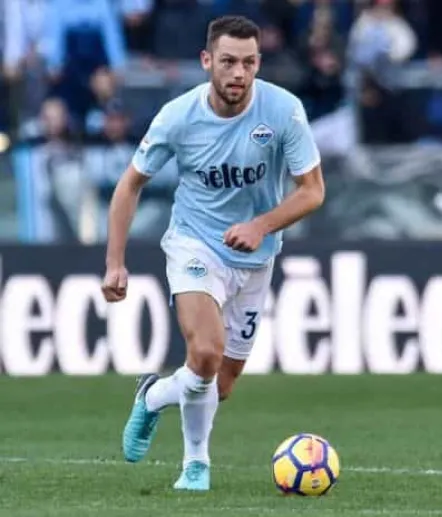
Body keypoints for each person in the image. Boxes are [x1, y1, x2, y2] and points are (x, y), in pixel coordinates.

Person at [100, 15, 325, 491]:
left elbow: (312, 190)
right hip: (195, 244)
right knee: (204, 353)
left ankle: (154, 395)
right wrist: (115, 263)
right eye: (228, 62)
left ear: (259, 63)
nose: (239, 73)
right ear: (207, 61)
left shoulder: (284, 111)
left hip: (257, 255)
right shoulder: (177, 117)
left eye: (249, 63)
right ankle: (196, 465)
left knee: (218, 385)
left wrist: (261, 225)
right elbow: (130, 185)